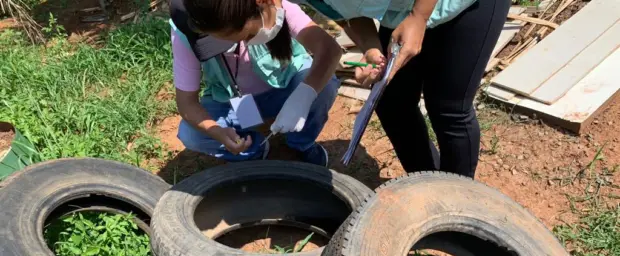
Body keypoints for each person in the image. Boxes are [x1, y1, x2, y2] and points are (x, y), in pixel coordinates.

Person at [293, 0, 511, 178]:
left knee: (448, 108)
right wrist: (371, 49)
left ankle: (459, 204)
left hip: (465, 6)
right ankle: (426, 183)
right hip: (402, 12)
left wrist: (419, 17)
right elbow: (346, 14)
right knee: (391, 103)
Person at [170, 0, 342, 166]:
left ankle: (300, 144)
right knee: (190, 134)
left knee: (324, 85)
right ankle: (255, 150)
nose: (230, 44)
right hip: (232, 102)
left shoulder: (275, 8)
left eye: (247, 36)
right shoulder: (185, 29)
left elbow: (329, 49)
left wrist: (303, 96)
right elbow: (187, 104)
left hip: (284, 89)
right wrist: (217, 131)